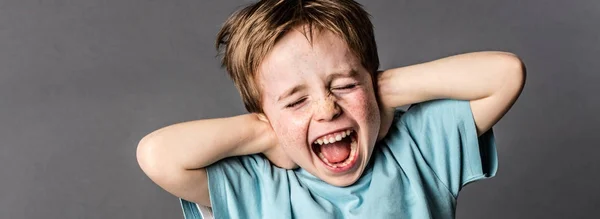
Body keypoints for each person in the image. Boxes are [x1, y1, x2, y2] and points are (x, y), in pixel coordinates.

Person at [136, 0, 526, 218]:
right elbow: (158, 156)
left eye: (343, 85)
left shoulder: (417, 151)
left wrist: (378, 89)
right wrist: (269, 135)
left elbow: (505, 74)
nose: (326, 109)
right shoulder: (257, 187)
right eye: (296, 100)